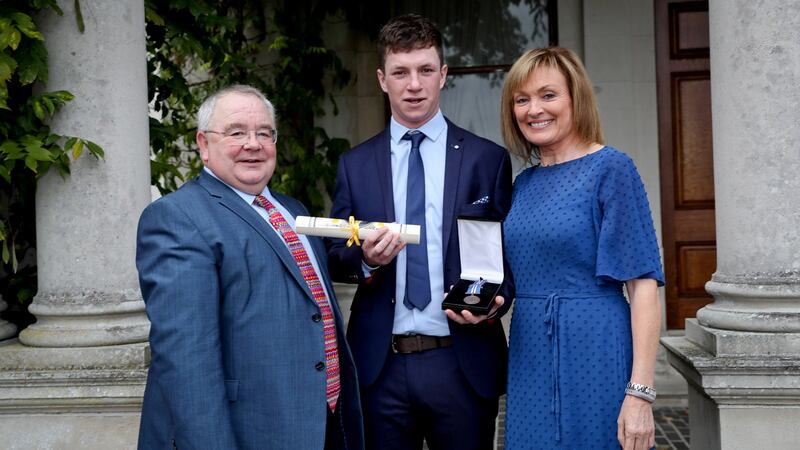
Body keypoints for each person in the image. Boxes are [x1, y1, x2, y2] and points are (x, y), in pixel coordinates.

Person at [135, 85, 363, 450]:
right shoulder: (177, 218)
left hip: (322, 425)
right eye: (236, 132)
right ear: (204, 145)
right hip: (249, 433)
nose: (253, 143)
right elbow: (188, 366)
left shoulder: (294, 210)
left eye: (264, 133)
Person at [326, 13, 514, 450]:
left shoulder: (487, 160)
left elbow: (504, 258)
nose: (414, 84)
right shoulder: (355, 165)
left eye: (426, 70)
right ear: (381, 79)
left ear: (443, 74)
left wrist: (494, 305)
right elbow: (337, 255)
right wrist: (368, 259)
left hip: (461, 359)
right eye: (401, 72)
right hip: (381, 365)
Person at [499, 46, 664, 450]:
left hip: (598, 349)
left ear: (576, 98)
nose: (534, 109)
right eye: (522, 100)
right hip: (529, 356)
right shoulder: (522, 185)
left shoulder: (612, 169)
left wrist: (640, 393)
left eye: (548, 95)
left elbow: (643, 286)